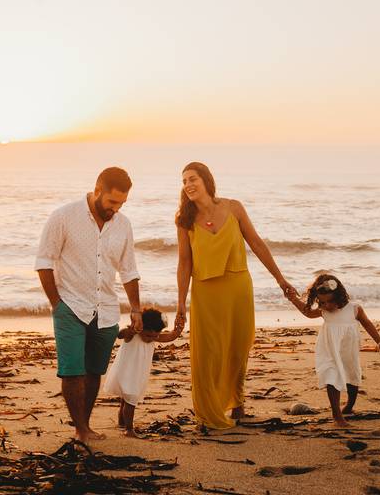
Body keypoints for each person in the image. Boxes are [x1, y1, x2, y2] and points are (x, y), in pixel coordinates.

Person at [175, 162, 297, 429]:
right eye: (184, 181)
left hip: (238, 287)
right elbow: (184, 262)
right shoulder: (184, 220)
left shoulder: (233, 208)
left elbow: (256, 243)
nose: (188, 185)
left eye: (192, 178)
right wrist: (181, 303)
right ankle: (209, 412)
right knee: (209, 353)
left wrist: (280, 278)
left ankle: (237, 403)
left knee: (238, 347)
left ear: (206, 180)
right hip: (205, 293)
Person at [35, 167, 143, 442]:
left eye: (121, 203)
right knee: (72, 370)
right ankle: (80, 428)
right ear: (97, 190)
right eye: (111, 202)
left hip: (106, 309)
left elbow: (128, 270)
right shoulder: (63, 217)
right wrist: (57, 304)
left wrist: (135, 308)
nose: (115, 209)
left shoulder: (123, 225)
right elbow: (44, 262)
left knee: (95, 371)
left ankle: (86, 425)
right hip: (70, 306)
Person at [285, 273, 380, 427]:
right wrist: (293, 299)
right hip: (329, 347)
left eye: (330, 301)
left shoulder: (354, 308)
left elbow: (367, 324)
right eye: (322, 302)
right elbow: (307, 312)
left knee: (352, 374)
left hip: (348, 348)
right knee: (331, 375)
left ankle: (349, 405)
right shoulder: (324, 310)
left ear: (339, 295)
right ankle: (337, 415)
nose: (326, 305)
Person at [103, 307, 185, 438]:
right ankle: (129, 429)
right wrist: (132, 328)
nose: (151, 339)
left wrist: (178, 330)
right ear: (141, 328)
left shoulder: (153, 336)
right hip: (128, 372)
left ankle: (122, 423)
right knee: (130, 400)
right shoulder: (133, 335)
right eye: (148, 335)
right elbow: (120, 334)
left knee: (126, 399)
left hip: (138, 373)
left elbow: (170, 337)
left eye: (155, 336)